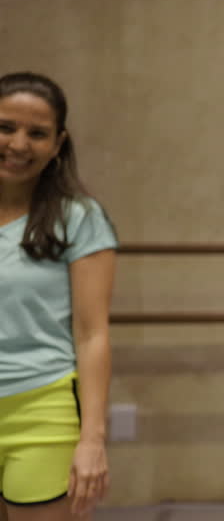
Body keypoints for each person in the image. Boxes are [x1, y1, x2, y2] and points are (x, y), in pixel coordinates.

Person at [0, 72, 117, 521]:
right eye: (6, 127)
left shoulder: (80, 219)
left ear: (58, 144)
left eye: (37, 133)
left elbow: (92, 335)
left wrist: (92, 440)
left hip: (43, 413)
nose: (18, 144)